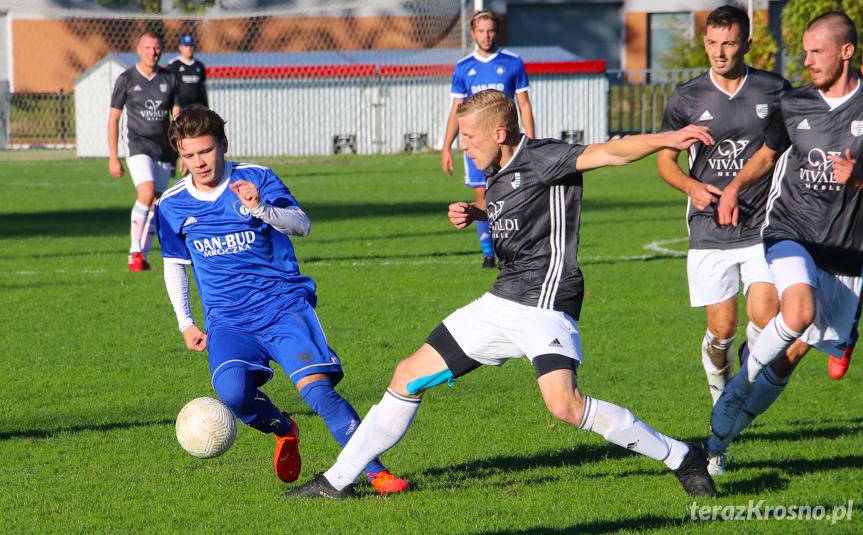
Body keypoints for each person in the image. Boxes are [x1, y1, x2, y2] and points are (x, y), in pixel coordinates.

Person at [286, 89, 717, 499]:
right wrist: (477, 212)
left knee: (565, 406)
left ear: (498, 133)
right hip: (501, 301)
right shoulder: (495, 176)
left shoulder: (545, 156)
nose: (463, 147)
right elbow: (517, 213)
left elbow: (609, 152)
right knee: (407, 375)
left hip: (544, 302)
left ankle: (682, 456)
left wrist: (669, 138)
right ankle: (337, 480)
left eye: (469, 138)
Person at [155, 108, 408, 494]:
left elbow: (301, 224)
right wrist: (185, 322)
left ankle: (376, 472)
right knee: (235, 395)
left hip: (282, 307)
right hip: (228, 322)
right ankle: (284, 428)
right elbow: (175, 265)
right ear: (179, 154)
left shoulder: (256, 178)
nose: (198, 163)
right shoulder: (173, 204)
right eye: (188, 156)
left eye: (205, 152)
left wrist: (260, 209)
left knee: (319, 391)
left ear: (222, 145)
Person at [708, 11, 863, 463]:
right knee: (797, 312)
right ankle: (738, 385)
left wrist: (857, 181)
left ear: (847, 52)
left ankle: (719, 443)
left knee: (791, 356)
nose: (808, 60)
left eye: (817, 51)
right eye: (805, 51)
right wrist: (734, 187)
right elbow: (768, 154)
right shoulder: (794, 103)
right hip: (791, 231)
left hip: (848, 252)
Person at [656, 5, 788, 474]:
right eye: (712, 44)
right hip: (709, 229)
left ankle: (731, 409)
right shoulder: (687, 97)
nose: (719, 52)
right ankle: (722, 391)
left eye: (728, 42)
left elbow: (790, 149)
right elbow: (666, 161)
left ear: (746, 42)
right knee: (722, 331)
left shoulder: (774, 90)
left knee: (767, 316)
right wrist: (692, 186)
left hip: (763, 224)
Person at [441, 9, 536, 268]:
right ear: (473, 33)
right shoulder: (464, 68)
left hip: (506, 144)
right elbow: (456, 112)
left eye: (491, 30)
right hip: (477, 146)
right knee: (482, 196)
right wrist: (446, 147)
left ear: (497, 32)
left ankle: (516, 242)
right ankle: (488, 252)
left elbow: (524, 105)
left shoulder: (513, 63)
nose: (486, 35)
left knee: (514, 193)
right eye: (481, 31)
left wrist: (532, 139)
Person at [107, 30, 180, 272]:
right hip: (137, 145)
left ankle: (143, 257)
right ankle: (134, 251)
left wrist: (184, 154)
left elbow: (177, 119)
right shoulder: (126, 79)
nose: (152, 52)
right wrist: (113, 157)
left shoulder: (170, 80)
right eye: (147, 47)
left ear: (162, 49)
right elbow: (113, 119)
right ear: (139, 49)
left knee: (157, 203)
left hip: (163, 149)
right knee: (146, 193)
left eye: (157, 47)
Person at [167, 34, 208, 111]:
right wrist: (174, 105)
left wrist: (206, 107)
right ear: (180, 47)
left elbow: (202, 88)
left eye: (191, 45)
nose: (189, 48)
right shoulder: (174, 65)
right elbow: (170, 88)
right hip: (180, 107)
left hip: (197, 106)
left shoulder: (199, 65)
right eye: (186, 46)